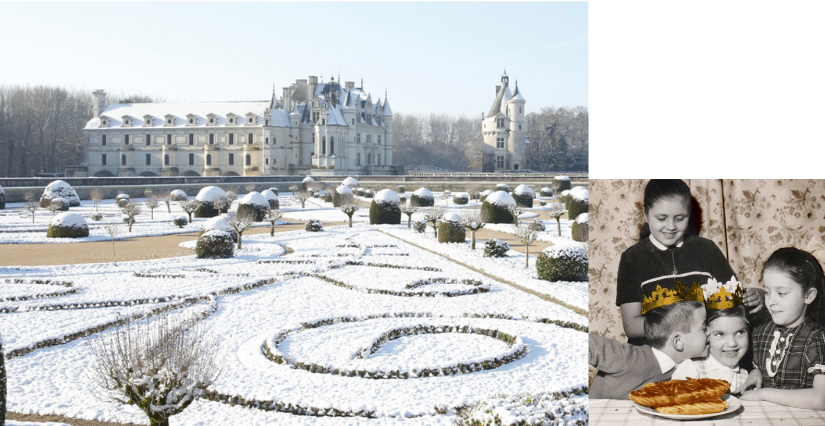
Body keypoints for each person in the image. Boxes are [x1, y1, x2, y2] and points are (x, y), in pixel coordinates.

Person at [617, 179, 765, 345]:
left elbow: (732, 304)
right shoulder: (632, 258)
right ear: (646, 215)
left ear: (689, 214)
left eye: (680, 218)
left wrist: (757, 297)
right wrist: (683, 324)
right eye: (662, 218)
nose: (671, 226)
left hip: (702, 350)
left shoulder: (706, 249)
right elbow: (631, 326)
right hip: (654, 354)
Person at [739, 248, 825, 409]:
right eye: (766, 292)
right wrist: (756, 373)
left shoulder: (816, 339)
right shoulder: (761, 333)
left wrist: (762, 393)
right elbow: (762, 369)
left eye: (781, 293)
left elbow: (820, 399)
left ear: (809, 296)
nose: (771, 301)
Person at [590, 300, 710, 399]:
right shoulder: (631, 358)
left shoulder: (685, 367)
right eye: (704, 329)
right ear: (678, 341)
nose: (710, 332)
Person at [671, 282, 750, 391]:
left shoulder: (745, 377)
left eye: (740, 332)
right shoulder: (692, 369)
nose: (732, 343)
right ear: (706, 334)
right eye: (720, 334)